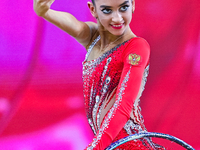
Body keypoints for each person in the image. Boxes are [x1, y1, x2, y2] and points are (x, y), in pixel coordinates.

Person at [33, 0, 165, 149]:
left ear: (133, 5)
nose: (117, 18)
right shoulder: (93, 38)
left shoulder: (136, 47)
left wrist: (96, 147)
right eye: (107, 11)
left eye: (123, 8)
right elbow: (75, 25)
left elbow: (124, 104)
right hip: (109, 145)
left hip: (129, 145)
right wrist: (45, 12)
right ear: (93, 10)